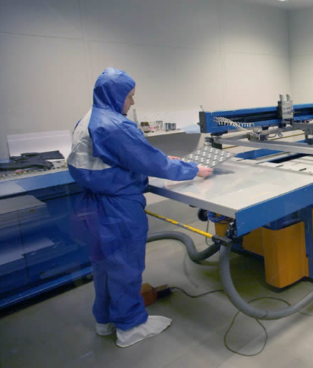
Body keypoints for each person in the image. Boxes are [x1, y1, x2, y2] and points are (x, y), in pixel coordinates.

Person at [67, 68, 212, 348]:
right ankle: (130, 326)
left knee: (104, 266)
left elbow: (119, 157)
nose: (132, 102)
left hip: (92, 204)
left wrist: (155, 159)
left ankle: (104, 320)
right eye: (130, 96)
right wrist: (194, 169)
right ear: (115, 95)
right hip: (117, 207)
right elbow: (150, 161)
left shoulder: (88, 118)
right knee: (125, 266)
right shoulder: (115, 125)